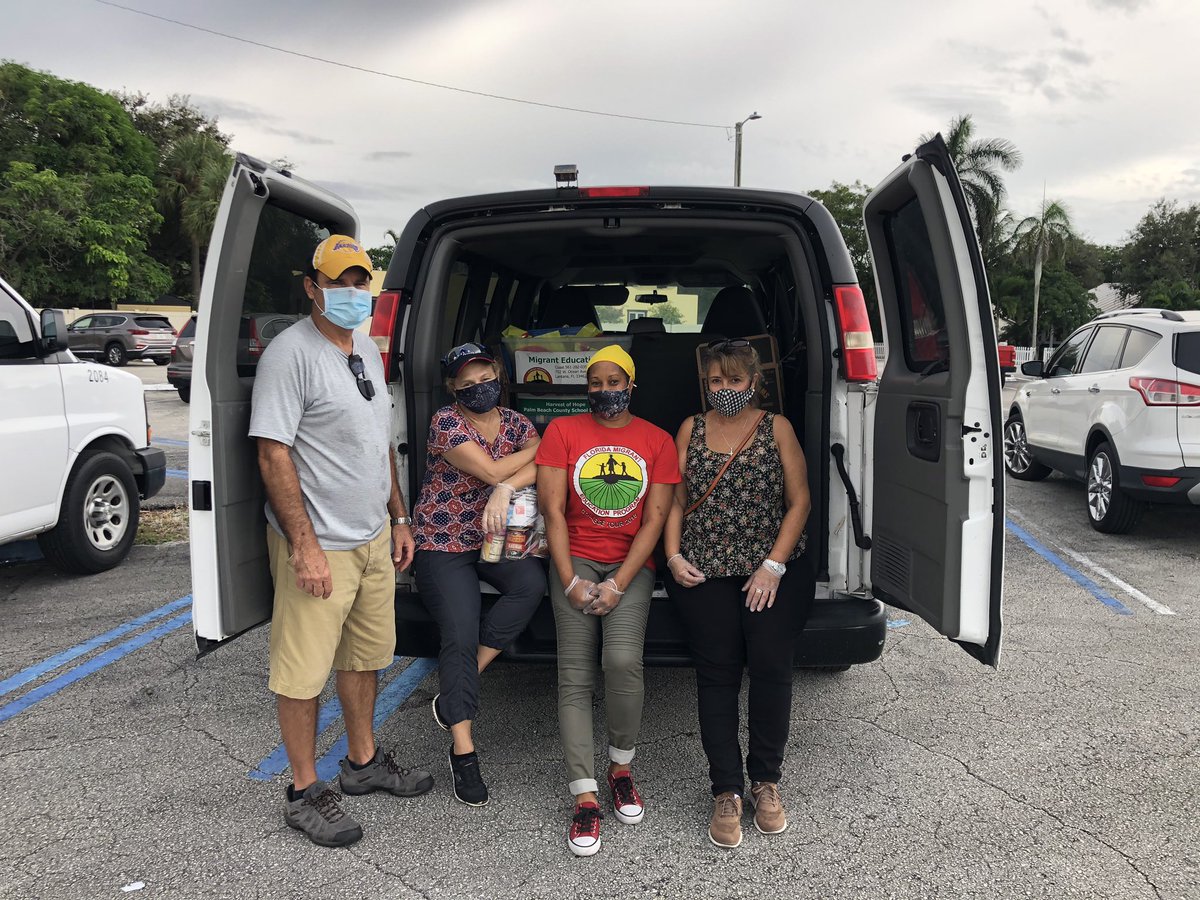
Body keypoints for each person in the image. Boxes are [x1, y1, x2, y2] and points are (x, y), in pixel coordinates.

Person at [249, 234, 432, 848]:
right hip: (319, 541)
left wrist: (399, 517)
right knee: (302, 672)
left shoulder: (368, 354)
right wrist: (302, 545)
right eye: (339, 282)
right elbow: (273, 452)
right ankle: (303, 790)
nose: (352, 293)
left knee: (366, 657)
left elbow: (378, 443)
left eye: (361, 282)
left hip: (372, 537)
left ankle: (362, 762)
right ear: (311, 286)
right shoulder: (289, 354)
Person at [662, 339, 813, 849]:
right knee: (717, 671)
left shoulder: (778, 428)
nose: (724, 388)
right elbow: (675, 499)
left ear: (754, 382)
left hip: (769, 564)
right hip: (704, 565)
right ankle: (726, 789)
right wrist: (673, 555)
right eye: (716, 380)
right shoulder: (691, 427)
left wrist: (773, 565)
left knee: (771, 662)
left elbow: (800, 501)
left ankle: (766, 781)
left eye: (735, 380)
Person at [535, 344, 681, 857]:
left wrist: (618, 581)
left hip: (630, 566)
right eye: (595, 383)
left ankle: (621, 766)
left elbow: (656, 519)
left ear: (631, 386)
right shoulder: (562, 432)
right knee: (574, 674)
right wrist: (571, 578)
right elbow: (553, 511)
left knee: (621, 661)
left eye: (614, 382)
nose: (604, 391)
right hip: (573, 563)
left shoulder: (657, 440)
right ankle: (585, 796)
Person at [412, 342, 546, 807]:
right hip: (443, 540)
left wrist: (506, 486)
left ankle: (457, 687)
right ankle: (463, 752)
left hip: (496, 540)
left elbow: (542, 461)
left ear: (497, 375)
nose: (478, 388)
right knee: (460, 629)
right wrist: (507, 476)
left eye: (484, 378)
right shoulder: (445, 422)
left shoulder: (515, 421)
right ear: (452, 388)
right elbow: (493, 467)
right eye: (466, 384)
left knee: (530, 586)